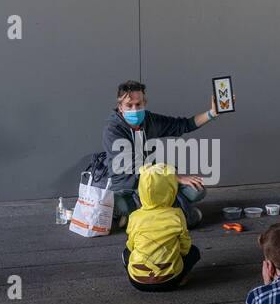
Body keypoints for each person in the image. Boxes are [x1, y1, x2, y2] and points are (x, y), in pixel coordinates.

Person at [86, 80, 219, 230]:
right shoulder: (112, 130)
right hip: (128, 185)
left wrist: (211, 113)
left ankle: (141, 216)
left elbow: (183, 125)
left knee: (197, 191)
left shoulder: (149, 120)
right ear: (120, 107)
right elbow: (133, 168)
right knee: (120, 203)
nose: (135, 109)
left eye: (139, 104)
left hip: (156, 179)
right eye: (129, 105)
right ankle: (165, 213)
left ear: (144, 103)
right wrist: (177, 178)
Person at [123, 163, 201, 291]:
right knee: (194, 252)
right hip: (170, 280)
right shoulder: (176, 214)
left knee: (126, 252)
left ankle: (139, 274)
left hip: (138, 283)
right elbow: (185, 246)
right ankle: (181, 278)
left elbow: (131, 245)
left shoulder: (134, 216)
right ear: (170, 189)